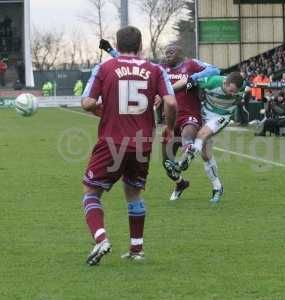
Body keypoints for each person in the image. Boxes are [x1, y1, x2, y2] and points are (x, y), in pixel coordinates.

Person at [80, 26, 177, 266]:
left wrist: (101, 111)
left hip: (112, 141)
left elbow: (87, 102)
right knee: (133, 192)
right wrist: (170, 127)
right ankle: (137, 249)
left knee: (91, 193)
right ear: (140, 45)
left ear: (117, 44)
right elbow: (172, 103)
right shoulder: (155, 70)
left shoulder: (104, 68)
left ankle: (101, 238)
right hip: (142, 143)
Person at [98, 40, 220, 201]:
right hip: (170, 120)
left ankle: (187, 155)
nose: (167, 54)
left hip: (190, 115)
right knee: (167, 163)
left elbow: (215, 70)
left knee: (187, 134)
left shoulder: (191, 64)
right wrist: (111, 51)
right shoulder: (160, 69)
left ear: (180, 53)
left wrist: (194, 78)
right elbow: (134, 65)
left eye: (171, 52)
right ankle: (180, 183)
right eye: (166, 52)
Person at [166, 72, 245, 203]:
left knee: (201, 135)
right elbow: (188, 80)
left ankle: (184, 161)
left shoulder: (243, 87)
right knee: (205, 155)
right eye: (230, 90)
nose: (232, 94)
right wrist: (169, 90)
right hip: (204, 113)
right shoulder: (211, 82)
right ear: (225, 83)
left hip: (222, 116)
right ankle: (218, 187)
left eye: (235, 92)